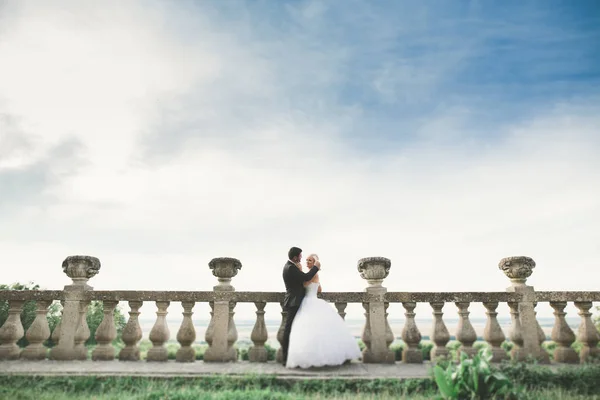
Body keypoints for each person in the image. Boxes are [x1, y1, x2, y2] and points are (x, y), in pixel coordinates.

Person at [285, 253, 362, 368]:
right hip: (309, 301)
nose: (307, 262)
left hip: (310, 302)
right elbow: (319, 289)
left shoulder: (312, 274)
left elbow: (304, 283)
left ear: (315, 262)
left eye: (310, 260)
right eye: (306, 260)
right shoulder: (313, 274)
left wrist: (300, 271)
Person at [281, 246, 320, 366]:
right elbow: (306, 278)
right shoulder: (291, 268)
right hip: (294, 302)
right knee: (288, 330)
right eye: (300, 256)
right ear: (295, 257)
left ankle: (294, 356)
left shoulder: (292, 267)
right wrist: (316, 268)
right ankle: (286, 358)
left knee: (297, 329)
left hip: (298, 301)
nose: (302, 258)